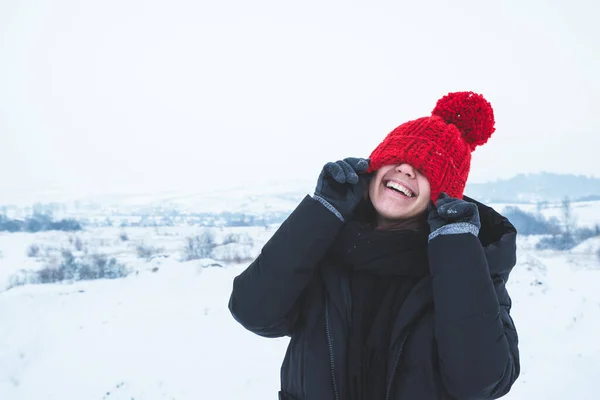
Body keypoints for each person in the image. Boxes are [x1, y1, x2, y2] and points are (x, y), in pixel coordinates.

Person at [228, 91, 520, 400]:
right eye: (398, 158)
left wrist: (457, 250)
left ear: (443, 196)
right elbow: (253, 311)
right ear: (374, 170)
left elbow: (480, 381)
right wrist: (323, 211)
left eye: (426, 167)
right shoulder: (326, 249)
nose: (406, 170)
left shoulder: (469, 268)